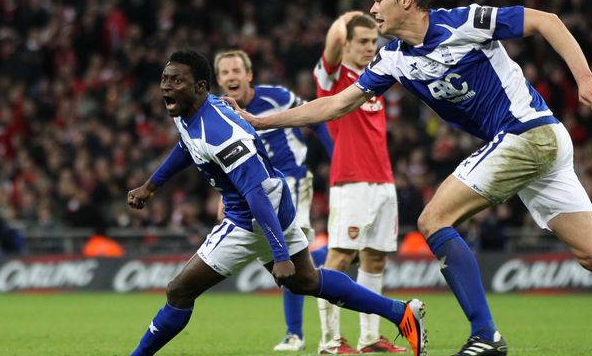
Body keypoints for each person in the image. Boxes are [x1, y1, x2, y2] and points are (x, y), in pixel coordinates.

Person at [228, 0, 592, 356]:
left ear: (406, 0)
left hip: (527, 133)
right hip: (534, 144)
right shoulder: (394, 58)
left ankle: (486, 336)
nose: (371, 11)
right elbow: (335, 104)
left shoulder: (464, 22)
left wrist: (585, 78)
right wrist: (260, 121)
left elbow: (545, 21)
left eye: (377, 0)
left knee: (434, 217)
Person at [125, 50, 427, 356]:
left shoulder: (220, 132)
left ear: (200, 86)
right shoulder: (190, 112)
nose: (166, 86)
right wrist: (151, 186)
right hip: (274, 199)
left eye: (177, 80)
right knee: (307, 281)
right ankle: (400, 312)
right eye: (165, 79)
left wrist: (280, 253)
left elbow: (254, 193)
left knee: (179, 290)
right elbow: (187, 147)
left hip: (252, 216)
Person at [213, 49, 333, 352]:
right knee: (290, 256)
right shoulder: (219, 112)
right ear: (218, 79)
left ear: (249, 74)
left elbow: (316, 120)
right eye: (225, 72)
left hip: (291, 181)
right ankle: (343, 250)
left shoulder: (276, 97)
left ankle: (294, 334)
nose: (231, 76)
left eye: (236, 70)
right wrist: (223, 197)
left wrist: (337, 158)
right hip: (253, 191)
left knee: (290, 255)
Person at [312, 12, 406, 354]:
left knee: (375, 259)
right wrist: (351, 17)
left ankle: (369, 337)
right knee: (339, 257)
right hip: (350, 181)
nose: (371, 47)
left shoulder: (375, 78)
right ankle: (330, 341)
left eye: (373, 42)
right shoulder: (333, 76)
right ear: (347, 44)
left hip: (383, 180)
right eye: (363, 42)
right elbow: (333, 37)